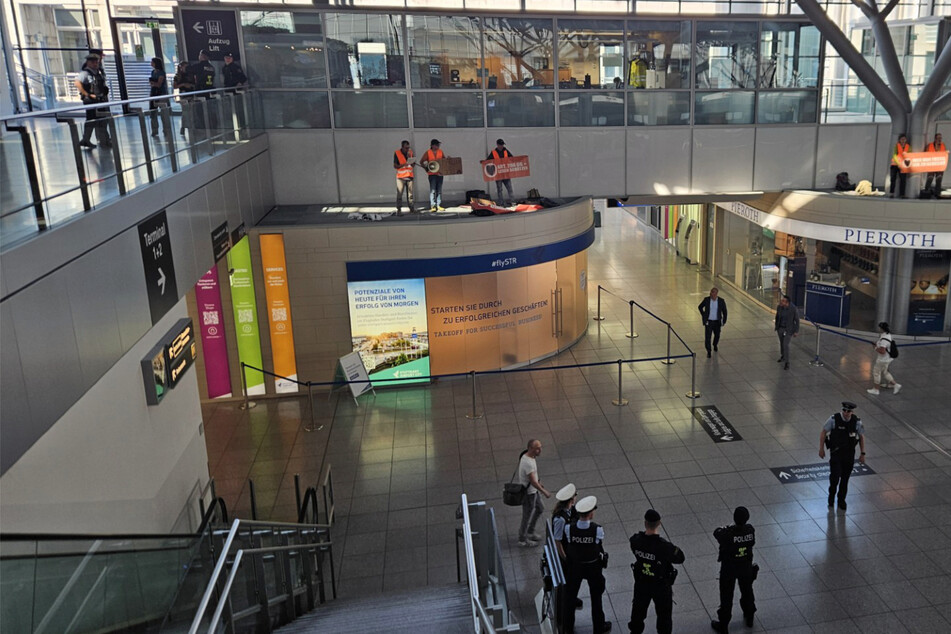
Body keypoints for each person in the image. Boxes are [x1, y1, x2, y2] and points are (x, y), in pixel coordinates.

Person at [628, 509, 685, 634]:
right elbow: (680, 558)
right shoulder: (664, 547)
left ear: (645, 523)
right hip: (661, 585)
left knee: (638, 611)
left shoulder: (635, 541)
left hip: (642, 582)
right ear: (659, 523)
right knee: (664, 615)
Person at [563, 496, 612, 633]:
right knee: (596, 599)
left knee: (570, 598)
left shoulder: (569, 529)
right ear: (591, 514)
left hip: (575, 568)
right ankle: (599, 627)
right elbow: (597, 545)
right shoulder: (597, 530)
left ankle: (568, 627)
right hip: (593, 568)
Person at [711, 506, 757, 633]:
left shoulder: (728, 534)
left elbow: (716, 532)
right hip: (746, 566)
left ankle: (724, 624)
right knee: (747, 590)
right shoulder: (750, 530)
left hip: (729, 568)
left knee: (726, 595)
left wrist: (727, 527)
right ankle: (750, 616)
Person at [819, 401, 866, 510]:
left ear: (852, 412)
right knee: (834, 478)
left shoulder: (856, 422)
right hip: (836, 454)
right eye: (844, 410)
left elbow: (861, 436)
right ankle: (831, 498)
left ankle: (841, 500)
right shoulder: (834, 419)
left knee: (845, 479)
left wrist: (862, 453)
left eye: (848, 411)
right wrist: (821, 449)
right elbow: (823, 432)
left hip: (849, 455)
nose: (845, 413)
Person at [552, 483, 583, 610]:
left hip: (571, 550)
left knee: (572, 581)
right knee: (567, 581)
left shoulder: (571, 510)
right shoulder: (560, 519)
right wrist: (565, 558)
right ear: (571, 499)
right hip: (565, 554)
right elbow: (558, 541)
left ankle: (571, 597)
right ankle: (566, 603)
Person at [517, 439, 551, 547]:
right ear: (531, 448)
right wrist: (544, 491)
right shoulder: (528, 463)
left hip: (533, 491)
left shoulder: (530, 457)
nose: (540, 450)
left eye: (540, 447)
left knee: (540, 508)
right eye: (537, 448)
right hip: (529, 494)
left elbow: (534, 477)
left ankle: (530, 531)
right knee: (526, 516)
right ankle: (522, 539)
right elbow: (532, 481)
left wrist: (539, 484)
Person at [75, 53, 111, 149]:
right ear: (88, 63)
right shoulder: (85, 73)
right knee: (92, 120)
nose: (95, 64)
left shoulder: (98, 73)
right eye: (93, 62)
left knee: (101, 120)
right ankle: (100, 140)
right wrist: (87, 94)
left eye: (96, 62)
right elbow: (77, 83)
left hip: (100, 100)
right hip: (91, 101)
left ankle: (97, 139)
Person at [868, 322, 900, 395]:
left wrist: (875, 348)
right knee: (885, 372)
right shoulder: (888, 335)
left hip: (883, 359)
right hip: (888, 358)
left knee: (876, 372)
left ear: (882, 328)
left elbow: (882, 351)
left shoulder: (884, 339)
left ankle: (876, 389)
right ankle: (894, 384)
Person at [698, 287, 727, 358]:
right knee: (708, 337)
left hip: (717, 322)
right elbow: (700, 307)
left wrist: (724, 321)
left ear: (716, 293)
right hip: (709, 322)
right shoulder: (707, 300)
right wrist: (704, 315)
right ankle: (708, 351)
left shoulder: (721, 301)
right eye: (711, 292)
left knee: (717, 335)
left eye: (713, 292)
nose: (711, 294)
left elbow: (725, 311)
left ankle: (715, 344)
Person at [774, 294, 799, 370]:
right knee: (781, 343)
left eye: (783, 301)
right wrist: (777, 326)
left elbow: (797, 320)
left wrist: (796, 331)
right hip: (780, 328)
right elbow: (777, 317)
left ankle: (787, 362)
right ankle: (783, 356)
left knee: (785, 345)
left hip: (788, 330)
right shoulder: (780, 307)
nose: (781, 302)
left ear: (787, 302)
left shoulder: (793, 309)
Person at [487, 138, 514, 206]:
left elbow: (512, 158)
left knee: (509, 188)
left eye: (502, 145)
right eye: (500, 145)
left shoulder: (506, 151)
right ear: (497, 145)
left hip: (506, 174)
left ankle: (512, 201)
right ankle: (501, 202)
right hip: (498, 174)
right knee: (499, 189)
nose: (502, 146)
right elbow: (488, 161)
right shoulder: (493, 152)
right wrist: (483, 162)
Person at [422, 138, 446, 211]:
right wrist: (426, 168)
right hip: (432, 174)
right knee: (433, 190)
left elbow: (444, 160)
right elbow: (422, 161)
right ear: (433, 145)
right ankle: (433, 205)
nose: (438, 146)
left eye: (438, 145)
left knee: (439, 190)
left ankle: (438, 205)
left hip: (440, 174)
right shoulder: (428, 152)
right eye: (437, 145)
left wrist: (448, 159)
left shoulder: (440, 152)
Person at [393, 140, 416, 215]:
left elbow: (413, 165)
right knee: (399, 194)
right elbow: (395, 166)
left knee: (410, 194)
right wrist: (404, 165)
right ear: (402, 147)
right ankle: (399, 209)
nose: (407, 149)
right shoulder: (397, 153)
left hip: (409, 176)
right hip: (401, 177)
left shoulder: (410, 152)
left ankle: (411, 208)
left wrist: (412, 162)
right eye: (406, 148)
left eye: (408, 147)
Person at [173, 61, 195, 137]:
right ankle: (183, 127)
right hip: (183, 95)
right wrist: (183, 84)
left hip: (191, 94)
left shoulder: (191, 75)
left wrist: (190, 85)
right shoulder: (178, 76)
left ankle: (191, 126)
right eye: (185, 66)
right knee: (185, 112)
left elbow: (194, 83)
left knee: (191, 112)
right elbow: (175, 86)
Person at [148, 57, 168, 137]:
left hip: (161, 94)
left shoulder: (161, 73)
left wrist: (153, 83)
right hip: (154, 94)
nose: (151, 64)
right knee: (153, 113)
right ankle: (154, 130)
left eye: (152, 62)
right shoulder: (153, 72)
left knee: (163, 114)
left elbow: (159, 84)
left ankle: (166, 129)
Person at [925, 133, 946, 197]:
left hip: (939, 166)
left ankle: (937, 193)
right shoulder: (930, 145)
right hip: (931, 165)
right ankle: (926, 192)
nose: (940, 139)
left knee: (939, 179)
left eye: (940, 138)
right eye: (938, 138)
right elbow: (926, 154)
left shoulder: (943, 145)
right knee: (930, 178)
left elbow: (944, 154)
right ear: (935, 139)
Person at [889, 133, 910, 198]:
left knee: (903, 180)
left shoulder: (908, 147)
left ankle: (902, 194)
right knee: (893, 179)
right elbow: (894, 155)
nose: (903, 140)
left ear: (906, 140)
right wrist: (898, 164)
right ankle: (891, 193)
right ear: (899, 140)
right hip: (895, 164)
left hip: (903, 165)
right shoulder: (896, 146)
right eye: (902, 139)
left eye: (904, 139)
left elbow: (909, 155)